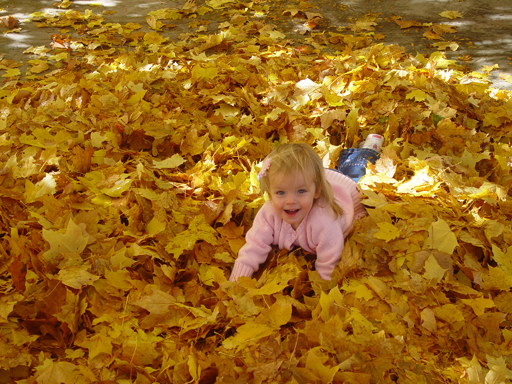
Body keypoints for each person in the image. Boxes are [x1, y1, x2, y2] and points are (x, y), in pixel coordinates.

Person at [229, 135, 383, 282]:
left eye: (300, 192)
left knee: (357, 170)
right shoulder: (269, 214)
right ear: (270, 194)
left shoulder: (325, 222)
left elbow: (329, 264)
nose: (290, 201)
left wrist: (320, 297)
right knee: (307, 177)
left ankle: (369, 148)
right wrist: (235, 284)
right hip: (312, 179)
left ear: (317, 191)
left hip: (347, 192)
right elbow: (253, 248)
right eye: (281, 192)